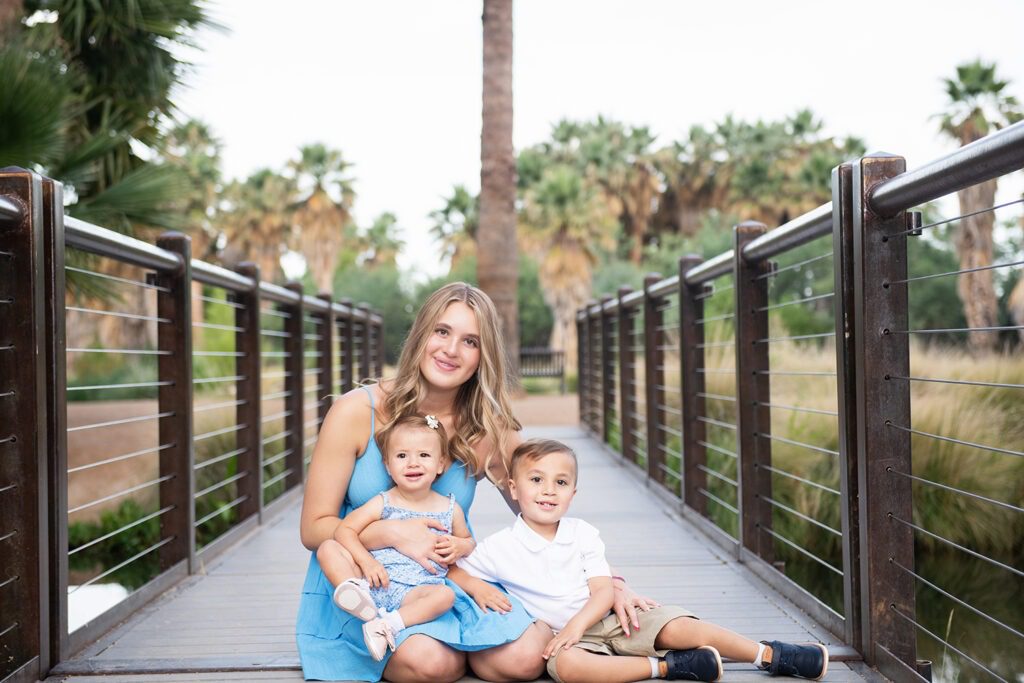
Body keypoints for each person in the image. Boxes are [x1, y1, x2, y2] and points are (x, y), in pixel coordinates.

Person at [297, 282, 658, 683]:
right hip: (363, 584)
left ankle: (477, 644)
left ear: (482, 356)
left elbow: (544, 506)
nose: (451, 350)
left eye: (470, 341)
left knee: (523, 659)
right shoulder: (355, 411)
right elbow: (314, 527)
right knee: (433, 664)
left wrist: (609, 583)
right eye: (442, 332)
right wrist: (391, 533)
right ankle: (446, 647)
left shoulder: (489, 429)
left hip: (442, 581)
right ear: (420, 335)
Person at [451, 439, 831, 683]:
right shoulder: (499, 547)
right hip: (565, 639)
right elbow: (456, 572)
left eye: (561, 482)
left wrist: (578, 623)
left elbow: (602, 591)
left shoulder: (582, 533)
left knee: (678, 626)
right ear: (514, 489)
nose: (549, 490)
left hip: (608, 618)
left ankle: (768, 654)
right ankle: (668, 668)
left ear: (573, 492)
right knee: (567, 668)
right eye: (536, 480)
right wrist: (479, 586)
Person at [316, 414, 471, 661]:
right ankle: (356, 594)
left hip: (417, 591)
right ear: (388, 465)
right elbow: (344, 530)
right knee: (327, 548)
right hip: (372, 581)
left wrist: (460, 545)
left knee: (445, 596)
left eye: (424, 455)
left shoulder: (450, 508)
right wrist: (366, 562)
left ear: (441, 463)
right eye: (402, 456)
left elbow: (468, 541)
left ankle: (387, 624)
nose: (412, 463)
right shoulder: (384, 501)